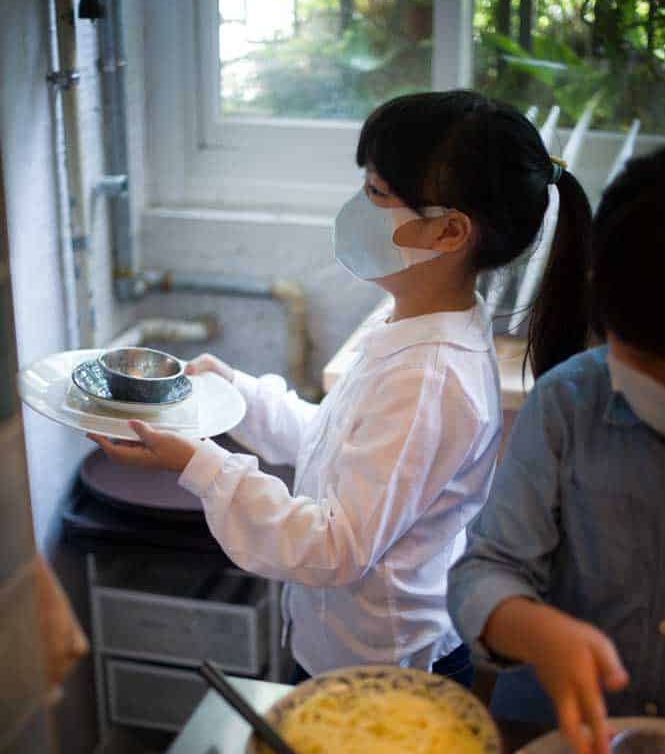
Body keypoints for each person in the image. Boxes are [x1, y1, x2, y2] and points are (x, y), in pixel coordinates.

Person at [89, 90, 591, 682]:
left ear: (449, 232)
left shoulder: (429, 380)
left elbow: (334, 545)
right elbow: (336, 445)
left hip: (390, 673)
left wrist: (198, 464)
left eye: (377, 192)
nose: (358, 206)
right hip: (349, 646)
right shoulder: (412, 324)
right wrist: (233, 395)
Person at [448, 146, 665, 754]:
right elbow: (484, 569)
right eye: (644, 365)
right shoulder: (568, 403)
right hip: (557, 748)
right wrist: (534, 629)